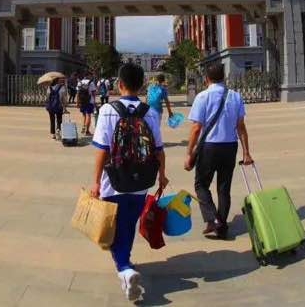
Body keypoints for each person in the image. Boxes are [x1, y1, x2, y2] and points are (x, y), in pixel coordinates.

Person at [90, 62, 169, 302]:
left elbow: (102, 150)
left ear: (120, 84)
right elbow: (159, 150)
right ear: (141, 85)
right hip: (142, 181)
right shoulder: (150, 112)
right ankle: (126, 264)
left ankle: (124, 269)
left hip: (113, 181)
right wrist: (162, 175)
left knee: (114, 227)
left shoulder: (107, 110)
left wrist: (96, 182)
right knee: (128, 224)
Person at [184, 63, 253, 240]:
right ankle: (221, 226)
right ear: (224, 77)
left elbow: (196, 128)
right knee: (224, 188)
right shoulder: (235, 96)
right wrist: (246, 152)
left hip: (209, 147)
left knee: (201, 185)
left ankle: (213, 219)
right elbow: (241, 126)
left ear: (206, 78)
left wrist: (189, 152)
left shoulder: (202, 97)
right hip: (230, 146)